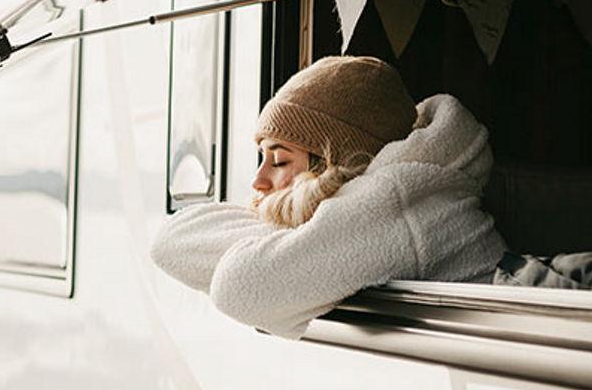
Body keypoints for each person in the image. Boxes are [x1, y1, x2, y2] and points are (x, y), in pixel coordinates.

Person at [149, 55, 505, 338]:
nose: (258, 180)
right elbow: (170, 241)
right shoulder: (397, 192)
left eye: (279, 160)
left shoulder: (395, 199)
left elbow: (239, 286)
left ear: (334, 164)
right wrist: (296, 227)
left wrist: (289, 229)